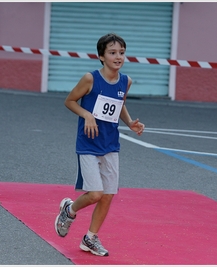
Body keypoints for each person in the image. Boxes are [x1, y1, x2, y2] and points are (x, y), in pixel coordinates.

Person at [55, 33, 145, 257]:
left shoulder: (126, 81)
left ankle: (90, 238)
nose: (118, 57)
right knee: (95, 194)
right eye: (112, 53)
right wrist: (87, 115)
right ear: (101, 56)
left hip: (111, 145)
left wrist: (130, 122)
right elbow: (69, 101)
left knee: (108, 195)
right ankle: (69, 210)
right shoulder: (90, 79)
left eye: (121, 53)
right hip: (88, 144)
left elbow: (119, 105)